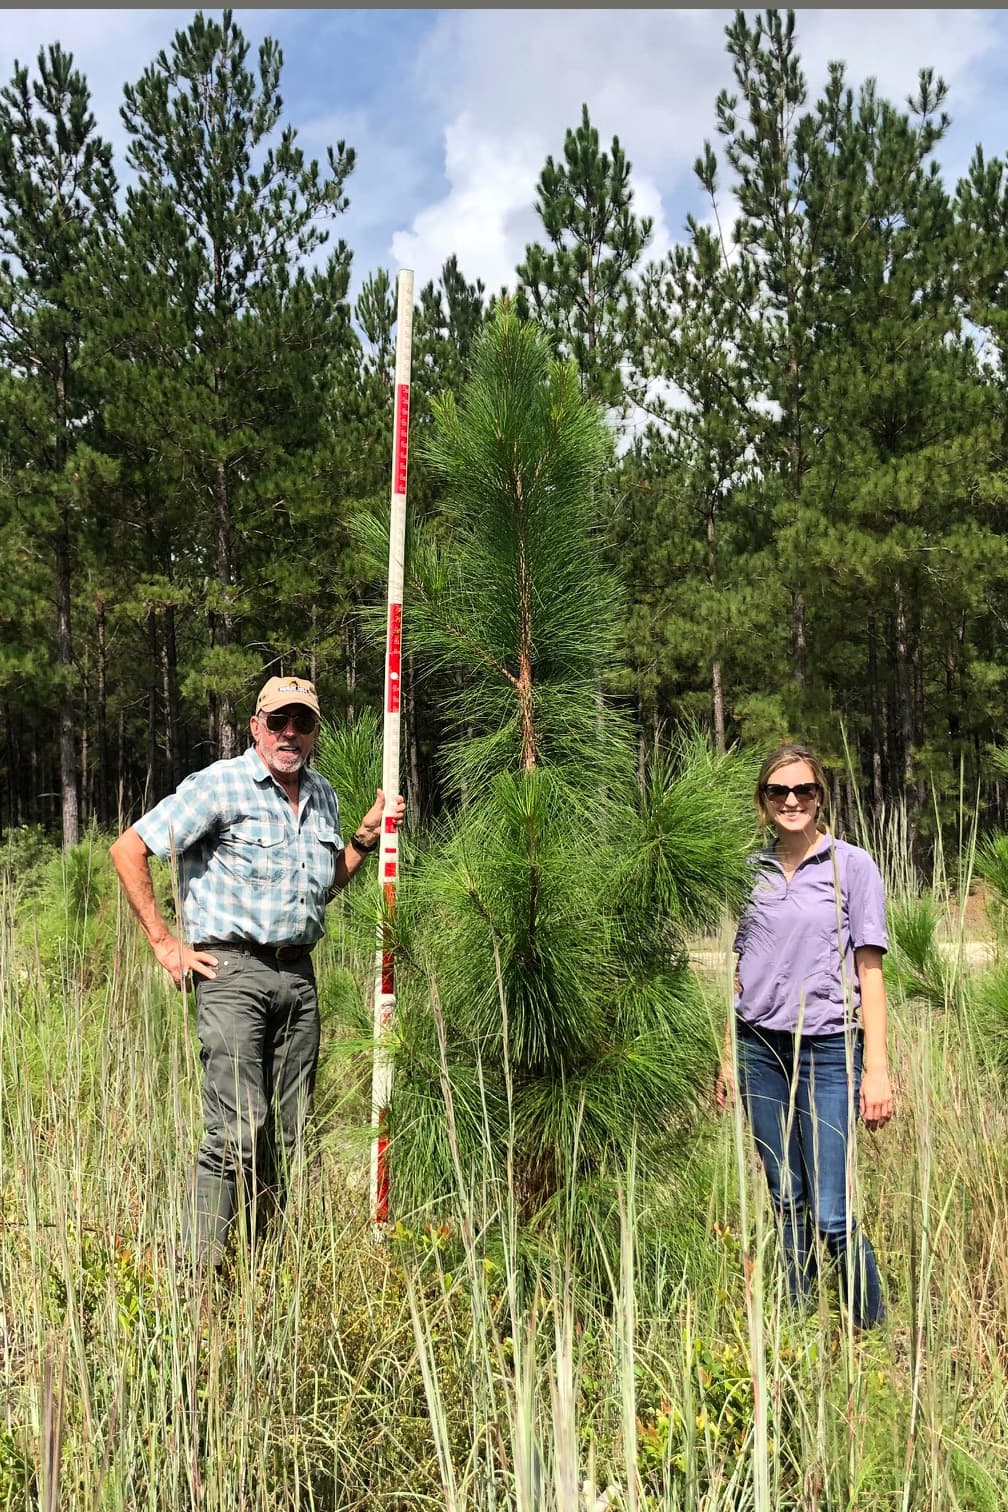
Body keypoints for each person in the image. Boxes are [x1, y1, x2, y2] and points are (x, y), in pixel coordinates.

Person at [110, 674, 406, 1273]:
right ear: (256, 727)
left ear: (315, 730)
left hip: (299, 981)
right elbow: (129, 848)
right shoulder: (221, 785)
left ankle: (268, 1268)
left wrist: (363, 839)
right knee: (237, 1131)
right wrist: (166, 944)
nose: (289, 733)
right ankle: (194, 1279)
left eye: (302, 722)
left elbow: (320, 886)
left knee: (294, 1135)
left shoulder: (321, 793)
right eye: (278, 722)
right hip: (233, 974)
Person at [715, 742, 893, 1330]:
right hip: (759, 1048)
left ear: (821, 798)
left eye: (804, 791)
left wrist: (877, 1068)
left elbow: (871, 973)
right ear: (763, 802)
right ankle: (798, 1329)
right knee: (784, 1200)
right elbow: (739, 971)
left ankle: (869, 1334)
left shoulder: (852, 866)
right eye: (778, 792)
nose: (792, 801)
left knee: (830, 1211)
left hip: (829, 1050)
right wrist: (727, 1057)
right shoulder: (749, 870)